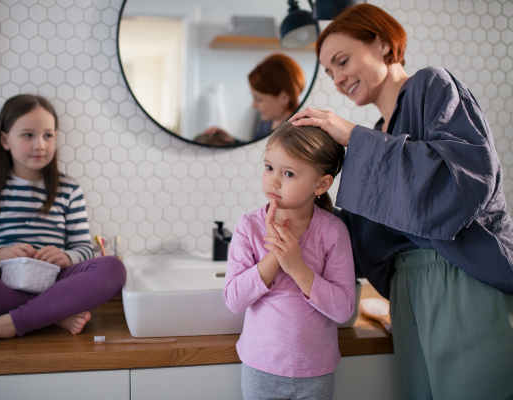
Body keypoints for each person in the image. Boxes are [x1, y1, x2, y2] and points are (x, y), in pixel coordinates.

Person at [289, 4, 513, 399]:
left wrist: (353, 136)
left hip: (461, 280)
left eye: (342, 61)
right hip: (408, 293)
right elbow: (367, 231)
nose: (338, 79)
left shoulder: (432, 86)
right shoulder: (378, 132)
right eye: (329, 73)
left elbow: (467, 178)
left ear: (381, 42)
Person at [0, 94, 126, 347]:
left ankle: (3, 324)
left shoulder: (68, 189)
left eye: (48, 135)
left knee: (113, 268)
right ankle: (52, 314)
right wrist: (2, 254)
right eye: (28, 135)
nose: (40, 144)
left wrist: (66, 257)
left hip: (57, 280)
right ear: (5, 140)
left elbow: (84, 248)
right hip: (3, 278)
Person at [224, 121, 355, 400]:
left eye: (289, 173)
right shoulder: (249, 226)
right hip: (261, 367)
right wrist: (275, 256)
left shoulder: (332, 231)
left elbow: (344, 309)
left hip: (315, 371)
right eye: (269, 167)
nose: (273, 180)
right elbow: (233, 300)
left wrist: (297, 267)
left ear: (321, 184)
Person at [202, 53, 305, 145]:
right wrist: (232, 141)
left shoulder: (299, 133)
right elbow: (257, 150)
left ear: (284, 98)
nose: (253, 105)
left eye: (259, 99)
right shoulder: (268, 121)